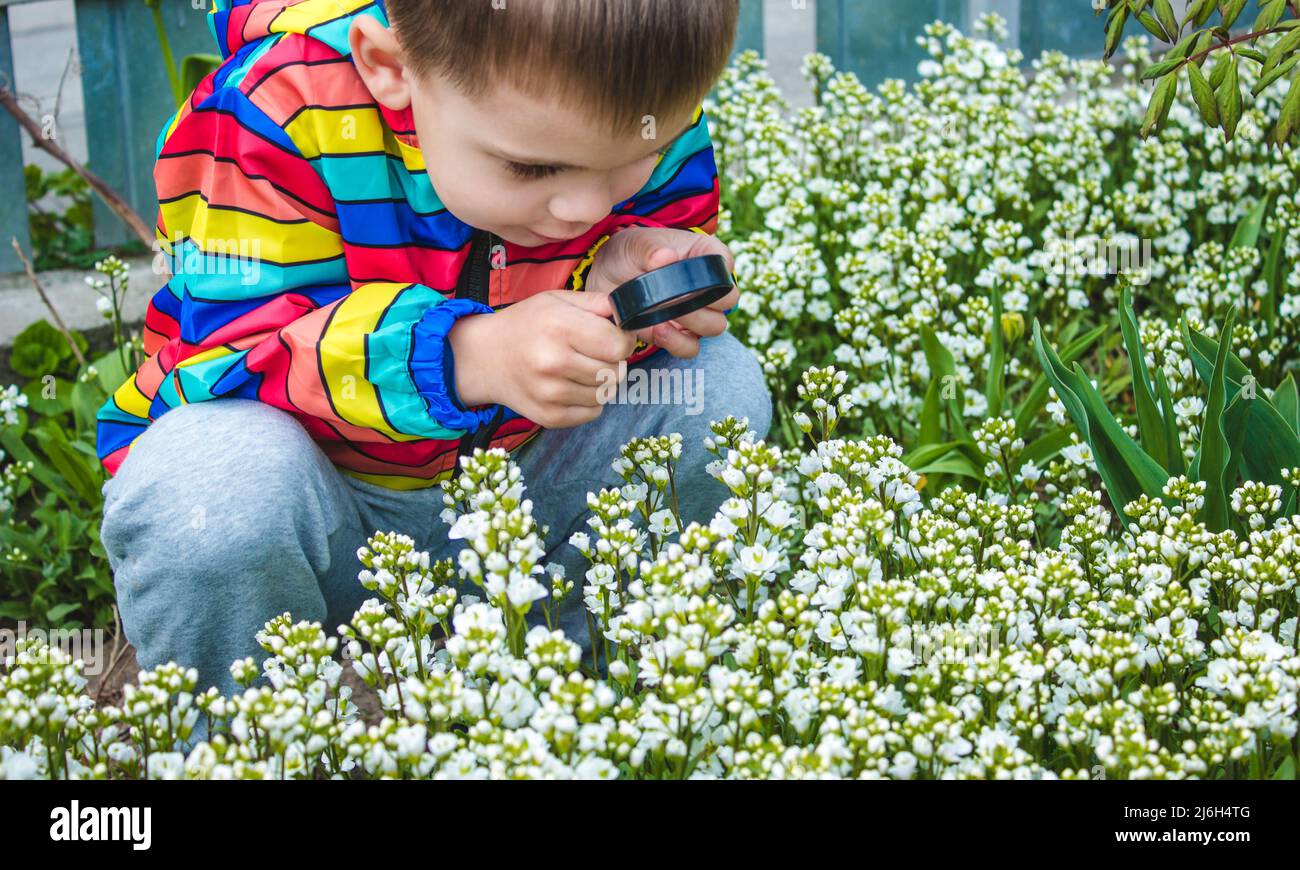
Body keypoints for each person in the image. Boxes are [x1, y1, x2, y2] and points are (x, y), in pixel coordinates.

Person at [97, 0, 772, 750]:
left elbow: (626, 242)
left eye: (632, 159)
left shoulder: (631, 84)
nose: (584, 205)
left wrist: (622, 274)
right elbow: (229, 356)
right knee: (209, 485)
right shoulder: (277, 112)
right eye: (533, 166)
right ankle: (252, 745)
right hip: (329, 524)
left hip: (525, 499)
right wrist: (464, 355)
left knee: (718, 386)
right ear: (391, 69)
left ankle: (575, 712)